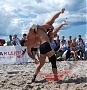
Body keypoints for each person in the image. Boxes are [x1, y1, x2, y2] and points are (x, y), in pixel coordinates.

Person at [25, 8, 66, 82]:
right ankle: (56, 78)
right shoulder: (37, 31)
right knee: (53, 61)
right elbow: (28, 51)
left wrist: (34, 59)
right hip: (45, 44)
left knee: (41, 64)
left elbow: (35, 26)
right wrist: (34, 58)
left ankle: (34, 77)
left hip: (42, 47)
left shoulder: (38, 32)